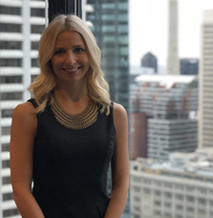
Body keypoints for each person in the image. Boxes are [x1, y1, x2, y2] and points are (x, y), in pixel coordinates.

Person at [10, 14, 129, 218]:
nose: (70, 60)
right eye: (59, 52)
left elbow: (122, 185)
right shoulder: (27, 114)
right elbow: (21, 191)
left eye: (78, 50)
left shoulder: (115, 114)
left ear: (90, 53)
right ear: (48, 57)